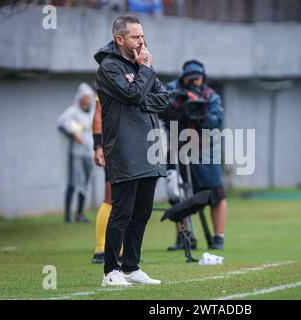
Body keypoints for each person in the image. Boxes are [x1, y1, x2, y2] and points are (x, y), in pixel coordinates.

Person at [94, 16, 169, 286]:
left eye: (142, 36)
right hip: (124, 149)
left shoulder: (141, 66)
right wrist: (144, 72)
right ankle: (110, 272)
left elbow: (163, 98)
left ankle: (131, 267)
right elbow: (132, 95)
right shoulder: (109, 67)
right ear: (120, 39)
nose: (141, 41)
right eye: (136, 37)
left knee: (142, 212)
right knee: (122, 212)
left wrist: (141, 83)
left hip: (148, 148)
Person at [164, 60, 228, 250]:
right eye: (190, 79)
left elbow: (217, 121)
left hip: (204, 148)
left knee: (215, 193)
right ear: (183, 78)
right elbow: (158, 106)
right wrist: (178, 103)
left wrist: (202, 111)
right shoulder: (172, 90)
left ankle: (218, 237)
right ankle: (184, 237)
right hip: (176, 147)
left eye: (197, 79)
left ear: (203, 78)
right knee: (176, 193)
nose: (194, 83)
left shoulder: (210, 96)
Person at [91, 96, 123, 264]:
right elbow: (98, 113)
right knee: (111, 196)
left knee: (130, 198)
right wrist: (98, 146)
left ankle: (122, 250)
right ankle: (100, 249)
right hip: (114, 144)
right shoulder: (109, 75)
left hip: (134, 145)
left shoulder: (142, 76)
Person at [57, 83, 95, 224]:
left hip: (89, 152)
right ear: (80, 98)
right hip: (76, 153)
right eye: (86, 97)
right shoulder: (72, 112)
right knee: (73, 182)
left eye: (89, 97)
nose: (88, 99)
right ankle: (67, 215)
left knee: (85, 183)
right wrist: (73, 132)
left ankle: (80, 214)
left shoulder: (92, 113)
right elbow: (61, 123)